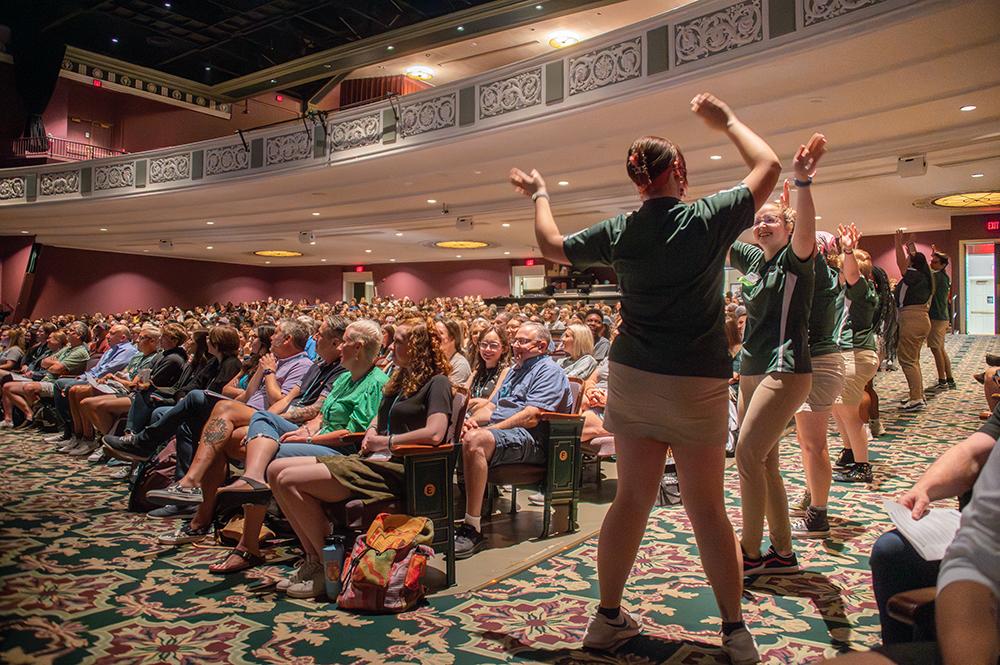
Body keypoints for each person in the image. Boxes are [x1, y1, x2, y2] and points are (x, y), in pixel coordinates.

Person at [509, 92, 782, 661]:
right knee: (706, 508)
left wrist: (540, 195)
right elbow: (770, 166)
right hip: (696, 379)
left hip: (632, 373)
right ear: (677, 173)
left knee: (631, 499)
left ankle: (605, 619)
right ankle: (735, 632)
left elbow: (550, 246)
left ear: (639, 181)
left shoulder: (621, 230)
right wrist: (728, 118)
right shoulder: (706, 217)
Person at [268, 317, 451, 598]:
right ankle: (313, 560)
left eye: (399, 342)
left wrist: (385, 440)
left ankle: (328, 564)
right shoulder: (400, 378)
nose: (391, 349)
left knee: (289, 479)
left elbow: (436, 433)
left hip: (399, 468)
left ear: (417, 347)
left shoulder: (436, 382)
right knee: (275, 470)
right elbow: (379, 419)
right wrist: (374, 430)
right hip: (373, 461)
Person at [196, 320, 387, 574]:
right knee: (261, 418)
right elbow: (322, 416)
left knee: (269, 455)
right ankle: (251, 480)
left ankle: (250, 545)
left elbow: (353, 434)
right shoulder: (344, 378)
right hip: (316, 437)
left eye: (345, 341)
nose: (340, 346)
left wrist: (307, 439)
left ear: (359, 347)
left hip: (341, 452)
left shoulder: (375, 382)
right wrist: (305, 430)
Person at [731, 135, 823, 576]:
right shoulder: (753, 260)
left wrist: (801, 184)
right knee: (764, 460)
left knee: (746, 456)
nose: (763, 225)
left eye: (772, 220)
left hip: (784, 370)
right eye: (759, 220)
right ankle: (782, 552)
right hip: (749, 370)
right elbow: (721, 233)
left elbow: (805, 228)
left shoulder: (795, 259)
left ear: (786, 228)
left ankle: (749, 553)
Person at [138, 318, 314, 513]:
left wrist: (269, 371)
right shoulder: (272, 360)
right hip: (245, 410)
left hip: (263, 417)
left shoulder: (302, 364)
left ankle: (146, 445)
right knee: (188, 423)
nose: (272, 336)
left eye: (277, 332)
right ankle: (184, 496)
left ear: (288, 339)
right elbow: (245, 395)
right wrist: (260, 372)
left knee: (198, 398)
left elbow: (279, 401)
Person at [455, 321, 573, 558]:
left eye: (522, 341)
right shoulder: (516, 369)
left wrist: (491, 430)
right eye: (515, 340)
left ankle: (472, 527)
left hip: (533, 440)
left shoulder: (549, 371)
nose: (515, 345)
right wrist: (470, 422)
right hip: (507, 434)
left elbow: (532, 416)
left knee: (476, 441)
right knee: (459, 433)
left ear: (541, 345)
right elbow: (492, 407)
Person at [789, 222, 845, 540]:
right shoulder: (821, 271)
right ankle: (813, 496)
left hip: (818, 363)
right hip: (816, 362)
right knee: (807, 442)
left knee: (814, 444)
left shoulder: (816, 272)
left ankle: (818, 517)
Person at [830, 225, 881, 484]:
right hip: (848, 354)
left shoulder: (859, 288)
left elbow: (851, 273)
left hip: (854, 354)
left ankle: (863, 466)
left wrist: (848, 251)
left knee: (849, 413)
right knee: (838, 410)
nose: (838, 273)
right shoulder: (850, 292)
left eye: (840, 269)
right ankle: (850, 453)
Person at [46, 323, 137, 454]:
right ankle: (77, 435)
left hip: (112, 384)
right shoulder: (111, 349)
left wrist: (84, 379)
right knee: (68, 386)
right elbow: (96, 369)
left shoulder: (128, 350)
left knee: (76, 389)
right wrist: (82, 377)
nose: (108, 336)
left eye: (112, 334)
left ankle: (89, 439)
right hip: (97, 380)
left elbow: (108, 370)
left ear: (122, 337)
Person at [3, 322, 91, 427]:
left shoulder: (80, 351)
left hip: (57, 383)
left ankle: (39, 413)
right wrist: (55, 365)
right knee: (7, 387)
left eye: (71, 331)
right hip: (46, 379)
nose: (67, 332)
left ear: (78, 335)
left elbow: (56, 369)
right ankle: (30, 414)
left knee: (28, 387)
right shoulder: (68, 348)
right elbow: (44, 362)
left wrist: (55, 365)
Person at [893, 230, 933, 411]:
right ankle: (917, 394)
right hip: (920, 318)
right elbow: (915, 258)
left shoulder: (914, 276)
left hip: (911, 318)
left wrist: (897, 242)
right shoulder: (924, 275)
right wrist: (909, 244)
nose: (908, 260)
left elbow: (902, 263)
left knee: (907, 360)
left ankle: (916, 398)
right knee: (913, 359)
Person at [926, 248, 954, 391]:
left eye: (935, 262)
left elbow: (926, 272)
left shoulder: (936, 277)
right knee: (941, 349)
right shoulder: (944, 276)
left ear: (943, 264)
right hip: (942, 317)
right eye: (931, 261)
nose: (932, 264)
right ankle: (949, 378)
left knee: (936, 349)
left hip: (936, 318)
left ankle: (942, 380)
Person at [464, 325, 510, 408]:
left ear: (504, 349)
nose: (487, 349)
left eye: (493, 345)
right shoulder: (478, 369)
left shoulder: (506, 371)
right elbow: (463, 395)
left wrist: (471, 402)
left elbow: (491, 402)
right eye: (484, 344)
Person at [436, 318, 471, 385]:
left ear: (452, 338)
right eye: (434, 333)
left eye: (440, 333)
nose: (435, 337)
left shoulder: (460, 365)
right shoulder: (435, 359)